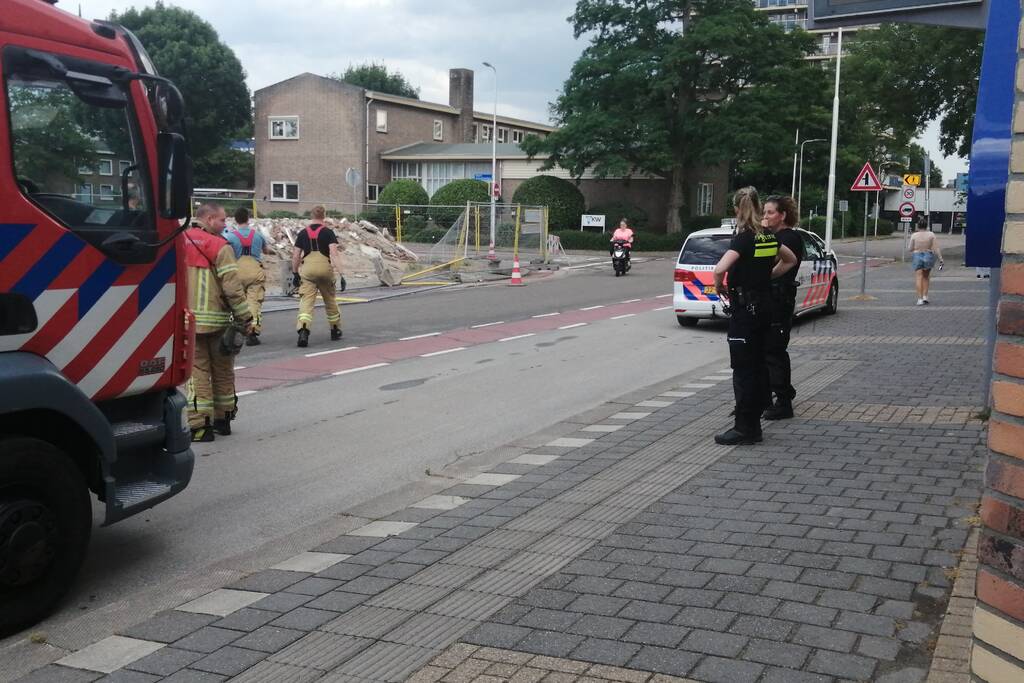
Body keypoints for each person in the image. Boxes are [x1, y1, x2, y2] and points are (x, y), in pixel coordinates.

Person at [712, 187, 798, 445]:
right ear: (759, 207)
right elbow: (790, 260)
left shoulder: (744, 238)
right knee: (760, 365)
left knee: (743, 369)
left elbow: (720, 269)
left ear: (737, 209)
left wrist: (719, 286)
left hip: (745, 313)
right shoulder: (768, 236)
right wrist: (766, 276)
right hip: (765, 309)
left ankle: (745, 427)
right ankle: (755, 420)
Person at [184, 203, 253, 442]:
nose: (226, 225)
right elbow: (233, 289)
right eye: (223, 220)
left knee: (197, 373)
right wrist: (245, 317)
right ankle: (223, 420)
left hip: (188, 322)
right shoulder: (220, 247)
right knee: (223, 371)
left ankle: (200, 427)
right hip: (218, 321)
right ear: (210, 219)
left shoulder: (178, 242)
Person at [762, 195, 804, 421]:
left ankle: (784, 401)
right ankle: (773, 395)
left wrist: (763, 277)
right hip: (771, 300)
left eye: (770, 212)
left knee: (774, 350)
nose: (765, 217)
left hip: (779, 300)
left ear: (783, 215)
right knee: (767, 350)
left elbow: (780, 263)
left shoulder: (789, 238)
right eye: (764, 212)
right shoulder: (776, 236)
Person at [292, 205, 343, 347]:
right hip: (325, 270)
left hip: (308, 271)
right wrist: (342, 273)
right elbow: (334, 254)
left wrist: (295, 273)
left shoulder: (302, 233)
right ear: (324, 216)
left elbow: (296, 256)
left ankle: (303, 330)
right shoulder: (328, 233)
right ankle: (335, 329)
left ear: (311, 215)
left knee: (306, 302)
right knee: (330, 300)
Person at [223, 207, 269, 346]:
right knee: (254, 303)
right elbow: (266, 250)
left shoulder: (229, 236)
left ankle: (235, 331)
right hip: (254, 271)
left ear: (235, 220)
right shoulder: (258, 235)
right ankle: (253, 332)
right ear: (248, 219)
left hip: (236, 272)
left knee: (236, 303)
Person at [908, 217, 943, 305]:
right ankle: (925, 296)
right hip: (928, 255)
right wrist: (940, 258)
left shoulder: (914, 235)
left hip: (917, 255)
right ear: (926, 226)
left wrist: (915, 249)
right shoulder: (931, 234)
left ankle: (919, 299)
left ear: (918, 226)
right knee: (926, 277)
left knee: (918, 277)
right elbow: (936, 247)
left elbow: (910, 248)